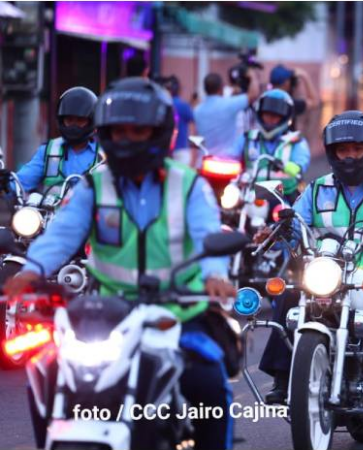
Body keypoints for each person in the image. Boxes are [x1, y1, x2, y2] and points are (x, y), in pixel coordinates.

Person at [4, 78, 237, 450]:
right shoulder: (95, 185)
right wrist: (32, 269)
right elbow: (62, 234)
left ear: (159, 132)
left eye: (138, 130)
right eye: (118, 130)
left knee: (209, 381)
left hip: (178, 311)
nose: (127, 139)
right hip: (108, 313)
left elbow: (208, 232)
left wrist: (214, 277)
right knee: (44, 371)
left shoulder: (189, 185)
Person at [253, 110, 363, 406]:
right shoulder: (315, 188)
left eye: (357, 149)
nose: (350, 156)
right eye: (343, 150)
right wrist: (275, 231)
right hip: (325, 268)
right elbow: (296, 222)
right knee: (287, 297)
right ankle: (283, 377)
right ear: (333, 152)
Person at [3, 87, 102, 193]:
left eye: (80, 120)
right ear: (61, 120)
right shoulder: (48, 151)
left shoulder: (104, 155)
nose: (74, 126)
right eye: (69, 120)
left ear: (92, 121)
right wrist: (5, 184)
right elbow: (21, 181)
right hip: (52, 209)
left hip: (90, 210)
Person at [228, 89, 310, 202]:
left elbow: (301, 165)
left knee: (297, 217)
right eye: (267, 113)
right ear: (260, 113)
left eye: (276, 115)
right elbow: (230, 158)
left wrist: (286, 166)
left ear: (285, 117)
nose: (270, 118)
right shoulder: (247, 138)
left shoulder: (296, 141)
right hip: (250, 198)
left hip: (283, 199)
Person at [194, 71, 260, 156]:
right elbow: (253, 95)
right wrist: (253, 76)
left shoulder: (197, 110)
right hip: (227, 160)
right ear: (221, 88)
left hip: (204, 159)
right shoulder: (229, 105)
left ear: (205, 89)